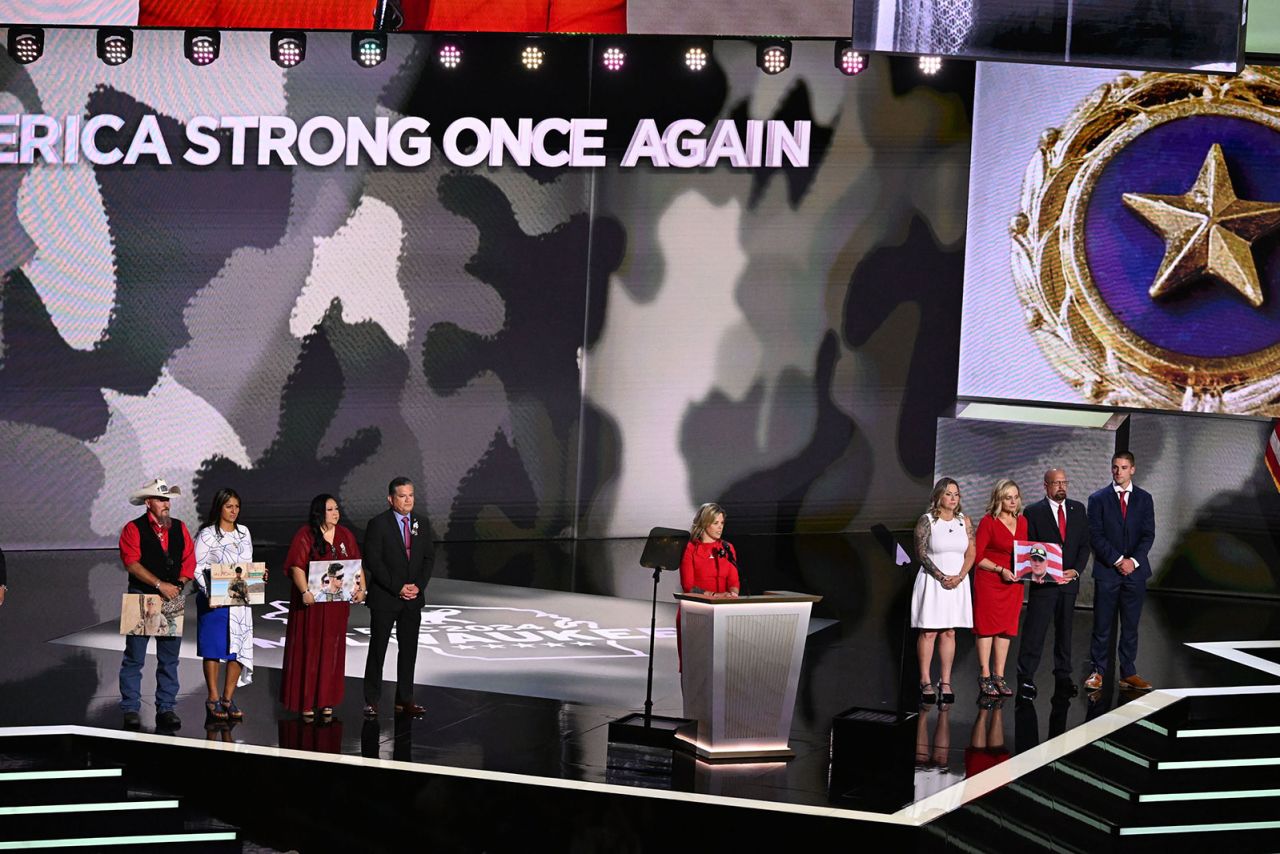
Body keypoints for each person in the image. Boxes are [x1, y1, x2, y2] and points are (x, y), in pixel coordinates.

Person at [118, 477, 195, 731]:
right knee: (134, 657)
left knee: (169, 658)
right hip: (143, 595)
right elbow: (132, 563)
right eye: (161, 500)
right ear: (148, 502)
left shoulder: (180, 528)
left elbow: (188, 561)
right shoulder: (133, 528)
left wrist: (178, 585)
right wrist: (160, 585)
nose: (166, 504)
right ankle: (130, 707)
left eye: (168, 500)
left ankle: (166, 707)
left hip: (172, 596)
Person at [281, 494, 364, 721]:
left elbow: (356, 565)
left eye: (337, 508)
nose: (335, 512)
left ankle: (327, 699)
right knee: (310, 650)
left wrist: (361, 589)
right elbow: (296, 566)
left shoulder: (346, 535)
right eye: (330, 509)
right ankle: (306, 701)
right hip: (312, 607)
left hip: (336, 608)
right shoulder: (306, 535)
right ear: (319, 512)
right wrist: (304, 592)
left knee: (332, 650)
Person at [1085, 452, 1156, 693]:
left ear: (1132, 470)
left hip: (1135, 573)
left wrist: (1133, 561)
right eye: (1115, 467)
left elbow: (1148, 535)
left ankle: (1128, 672)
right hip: (1108, 572)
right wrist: (1117, 560)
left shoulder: (1145, 499)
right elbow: (1095, 535)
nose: (1118, 472)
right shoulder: (1098, 499)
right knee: (1102, 625)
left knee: (1130, 626)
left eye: (1123, 467)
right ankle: (1098, 672)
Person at [363, 477, 433, 718]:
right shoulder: (378, 524)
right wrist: (397, 587)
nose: (408, 500)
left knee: (409, 649)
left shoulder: (421, 523)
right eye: (403, 496)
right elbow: (373, 561)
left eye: (411, 495)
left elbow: (428, 559)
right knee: (378, 648)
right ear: (391, 499)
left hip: (412, 599)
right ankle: (371, 700)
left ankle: (405, 699)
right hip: (385, 597)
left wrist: (418, 587)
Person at [1016, 469, 1088, 699]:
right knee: (1035, 632)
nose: (1061, 487)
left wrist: (1076, 570)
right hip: (1044, 585)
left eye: (1064, 482)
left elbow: (1084, 545)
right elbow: (1030, 549)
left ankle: (1063, 676)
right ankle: (1026, 678)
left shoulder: (1078, 509)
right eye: (1056, 483)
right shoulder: (1034, 512)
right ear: (1045, 486)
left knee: (1065, 632)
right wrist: (1044, 571)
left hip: (1069, 583)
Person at [194, 488, 261, 724]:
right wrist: (211, 593)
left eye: (237, 507)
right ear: (219, 507)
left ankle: (227, 698)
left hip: (240, 599)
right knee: (214, 647)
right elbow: (197, 567)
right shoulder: (207, 535)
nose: (234, 511)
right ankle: (212, 697)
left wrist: (258, 577)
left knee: (238, 648)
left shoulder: (244, 532)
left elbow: (249, 564)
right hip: (215, 600)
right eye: (229, 506)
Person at [911, 478, 974, 705]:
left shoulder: (964, 521)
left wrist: (959, 577)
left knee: (949, 632)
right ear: (938, 496)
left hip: (957, 582)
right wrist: (941, 576)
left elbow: (971, 553)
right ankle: (925, 679)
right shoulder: (927, 520)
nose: (954, 498)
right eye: (949, 494)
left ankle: (945, 681)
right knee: (929, 632)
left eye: (956, 494)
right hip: (933, 581)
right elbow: (921, 553)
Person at [972, 479, 1026, 698]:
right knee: (986, 628)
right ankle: (985, 676)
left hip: (1013, 583)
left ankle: (999, 676)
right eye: (1007, 497)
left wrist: (1037, 571)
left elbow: (1026, 552)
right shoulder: (988, 522)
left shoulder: (1023, 522)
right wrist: (1000, 569)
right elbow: (977, 557)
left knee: (1006, 629)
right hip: (990, 581)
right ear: (999, 499)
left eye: (1015, 497)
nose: (1012, 501)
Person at [676, 503, 741, 669]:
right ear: (705, 523)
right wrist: (716, 596)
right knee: (695, 667)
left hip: (723, 613)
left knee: (722, 667)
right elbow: (688, 587)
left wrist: (733, 594)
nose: (720, 528)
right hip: (696, 613)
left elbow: (734, 581)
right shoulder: (690, 548)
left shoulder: (727, 548)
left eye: (722, 523)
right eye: (716, 523)